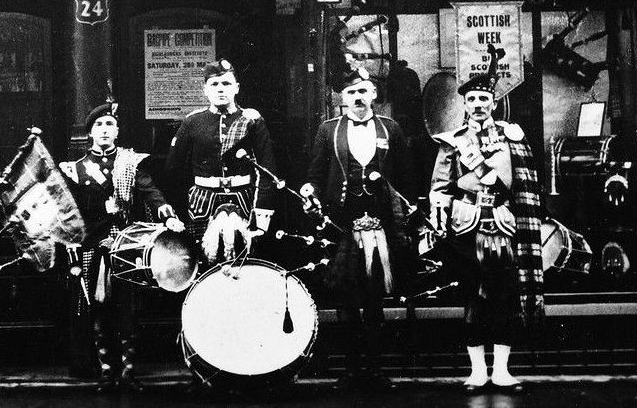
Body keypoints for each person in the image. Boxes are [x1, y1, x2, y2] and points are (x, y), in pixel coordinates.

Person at [429, 45, 544, 393]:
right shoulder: (453, 142)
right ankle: (477, 371)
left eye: (484, 98)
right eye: (472, 99)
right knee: (473, 298)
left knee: (506, 297)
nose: (478, 104)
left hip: (505, 223)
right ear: (464, 104)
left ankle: (502, 371)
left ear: (493, 103)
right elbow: (440, 186)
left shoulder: (512, 137)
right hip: (467, 224)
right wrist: (439, 220)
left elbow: (523, 181)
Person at [61, 98, 184, 391]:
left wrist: (166, 214)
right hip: (92, 245)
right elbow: (69, 212)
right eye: (99, 125)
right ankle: (106, 370)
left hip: (125, 244)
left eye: (110, 125)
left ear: (117, 131)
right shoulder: (74, 170)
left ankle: (128, 371)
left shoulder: (131, 162)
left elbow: (150, 192)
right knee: (97, 309)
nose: (105, 130)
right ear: (90, 132)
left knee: (127, 310)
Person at [304, 66, 414, 390]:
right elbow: (314, 172)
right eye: (351, 93)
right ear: (342, 97)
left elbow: (406, 178)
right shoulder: (328, 130)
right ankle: (351, 372)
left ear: (374, 95)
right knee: (347, 302)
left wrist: (405, 216)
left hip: (382, 226)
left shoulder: (391, 128)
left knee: (376, 302)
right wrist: (310, 188)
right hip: (342, 227)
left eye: (363, 91)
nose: (358, 98)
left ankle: (376, 371)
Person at [165, 59, 277, 264]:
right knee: (203, 264)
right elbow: (174, 171)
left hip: (245, 202)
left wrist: (261, 218)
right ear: (205, 90)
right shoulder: (192, 122)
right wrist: (178, 213)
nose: (220, 89)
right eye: (214, 85)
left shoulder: (251, 120)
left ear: (236, 88)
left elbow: (267, 171)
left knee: (245, 263)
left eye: (226, 84)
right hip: (202, 205)